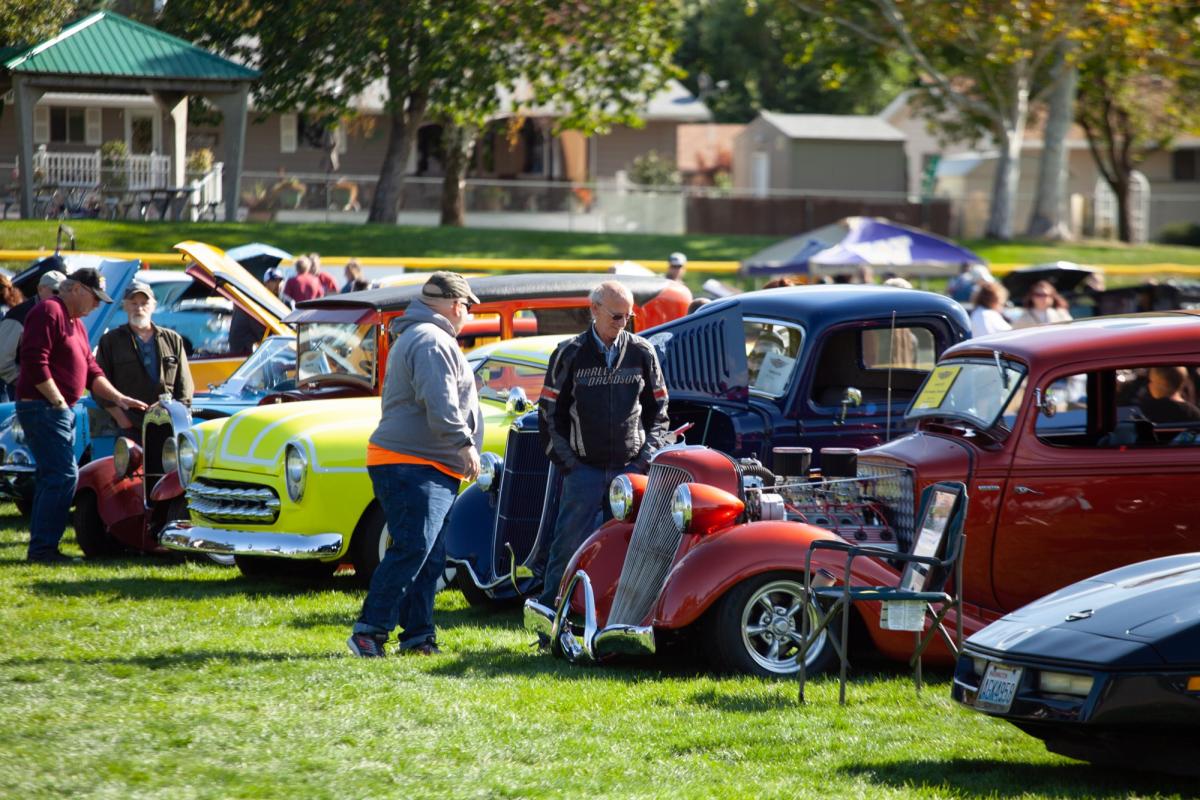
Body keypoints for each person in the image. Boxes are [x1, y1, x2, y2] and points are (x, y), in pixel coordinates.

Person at [347, 271, 483, 658]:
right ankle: (369, 632)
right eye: (469, 308)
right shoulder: (432, 339)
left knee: (427, 555)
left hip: (421, 463)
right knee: (413, 549)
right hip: (414, 463)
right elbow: (439, 404)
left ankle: (418, 637)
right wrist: (463, 443)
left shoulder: (422, 335)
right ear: (458, 306)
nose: (468, 316)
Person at [534, 280, 670, 611]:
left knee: (631, 548)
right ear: (593, 309)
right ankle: (551, 619)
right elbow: (548, 415)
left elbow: (661, 412)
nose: (623, 323)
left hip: (630, 469)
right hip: (584, 470)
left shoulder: (642, 352)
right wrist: (571, 464)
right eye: (616, 316)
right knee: (566, 547)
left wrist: (644, 460)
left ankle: (620, 619)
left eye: (628, 317)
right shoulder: (569, 353)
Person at [16, 268, 147, 563]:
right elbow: (35, 360)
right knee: (62, 477)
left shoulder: (76, 324)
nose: (98, 305)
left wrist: (119, 398)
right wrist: (58, 401)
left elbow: (90, 370)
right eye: (95, 297)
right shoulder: (49, 311)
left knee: (55, 477)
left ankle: (43, 547)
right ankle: (43, 550)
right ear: (75, 289)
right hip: (45, 409)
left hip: (54, 409)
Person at [95, 280, 194, 441]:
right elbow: (99, 384)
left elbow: (185, 385)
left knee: (170, 466)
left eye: (144, 303)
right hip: (130, 426)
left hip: (168, 423)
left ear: (153, 306)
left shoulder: (172, 339)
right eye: (133, 303)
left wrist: (180, 414)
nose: (139, 308)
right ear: (125, 306)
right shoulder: (110, 341)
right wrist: (122, 419)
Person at [0, 270, 63, 400]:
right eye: (55, 291)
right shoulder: (18, 316)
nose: (59, 297)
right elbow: (3, 362)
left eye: (64, 293)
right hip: (20, 394)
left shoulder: (60, 314)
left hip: (51, 392)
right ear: (40, 289)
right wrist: (30, 383)